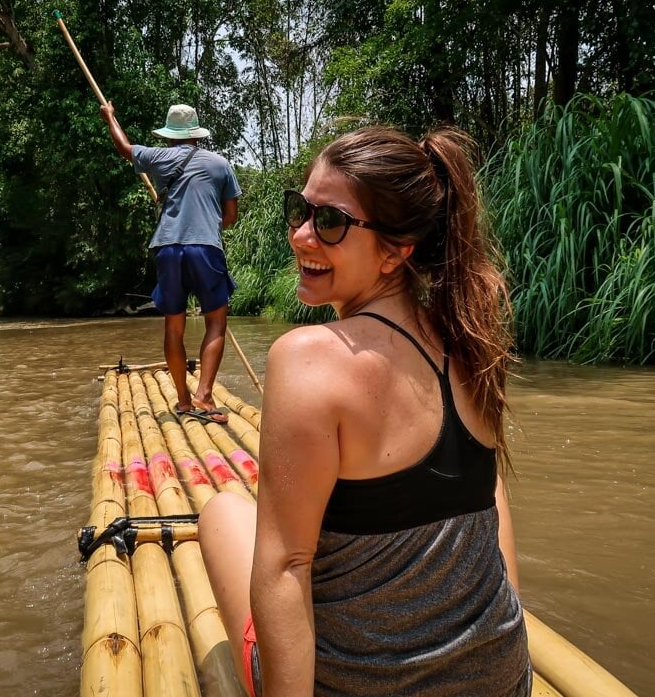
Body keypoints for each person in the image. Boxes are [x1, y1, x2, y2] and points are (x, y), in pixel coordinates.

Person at [199, 125, 530, 696]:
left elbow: (284, 568)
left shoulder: (307, 359)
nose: (302, 236)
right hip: (503, 681)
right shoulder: (470, 335)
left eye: (330, 222)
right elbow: (491, 493)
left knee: (223, 511)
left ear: (396, 252)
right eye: (298, 210)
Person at [100, 102, 241, 424]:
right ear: (196, 134)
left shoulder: (158, 158)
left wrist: (110, 116)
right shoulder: (220, 164)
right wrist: (205, 223)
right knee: (216, 322)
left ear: (170, 136)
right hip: (205, 247)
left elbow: (124, 147)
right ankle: (204, 396)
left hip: (166, 247)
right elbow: (230, 217)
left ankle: (182, 399)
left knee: (174, 325)